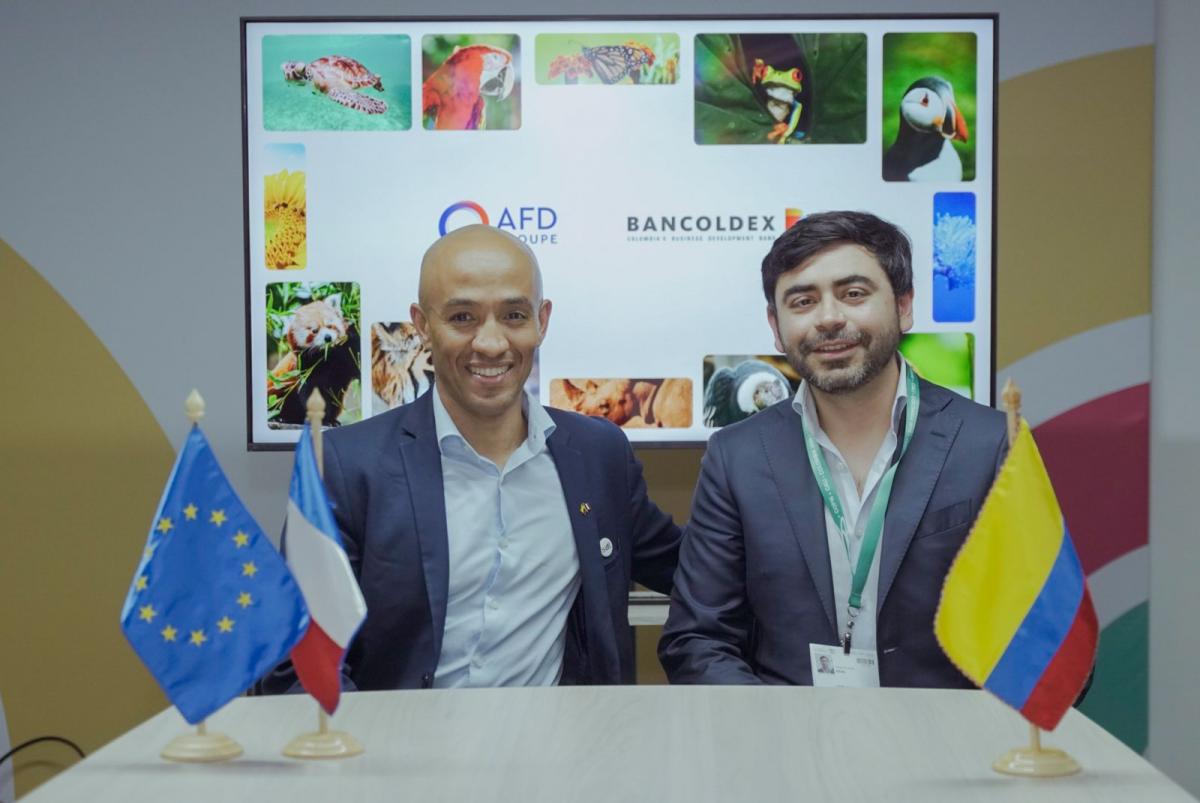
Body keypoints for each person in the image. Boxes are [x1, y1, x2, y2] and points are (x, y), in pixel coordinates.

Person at [262, 224, 680, 691]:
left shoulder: (597, 455)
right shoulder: (345, 466)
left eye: (515, 315)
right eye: (462, 317)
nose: (491, 343)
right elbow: (296, 661)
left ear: (542, 320)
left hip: (558, 751)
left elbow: (694, 571)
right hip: (399, 753)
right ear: (422, 324)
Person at [658, 210, 1008, 687]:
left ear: (904, 306)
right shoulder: (736, 458)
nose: (828, 319)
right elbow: (698, 640)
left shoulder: (991, 445)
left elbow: (1042, 636)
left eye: (854, 294)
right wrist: (783, 736)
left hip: (944, 746)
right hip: (788, 746)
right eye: (802, 301)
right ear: (776, 328)